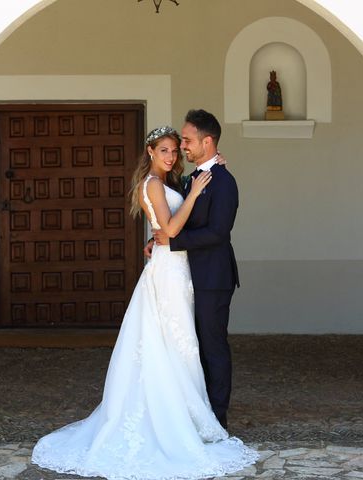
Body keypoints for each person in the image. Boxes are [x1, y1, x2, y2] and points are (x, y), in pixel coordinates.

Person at [31, 126, 257, 479]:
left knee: (183, 343)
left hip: (180, 270)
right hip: (169, 271)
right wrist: (194, 195)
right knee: (173, 342)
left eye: (176, 149)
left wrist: (202, 178)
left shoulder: (178, 181)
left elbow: (171, 230)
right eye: (165, 150)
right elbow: (168, 231)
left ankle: (196, 414)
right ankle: (175, 417)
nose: (173, 154)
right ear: (150, 152)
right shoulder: (154, 184)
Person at [152, 109, 239, 430]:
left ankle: (218, 418)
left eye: (187, 141)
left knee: (212, 345)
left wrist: (170, 243)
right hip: (188, 276)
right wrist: (159, 240)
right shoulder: (195, 177)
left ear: (208, 140)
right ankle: (196, 410)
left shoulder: (224, 183)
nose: (182, 147)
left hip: (213, 278)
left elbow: (218, 233)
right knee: (192, 344)